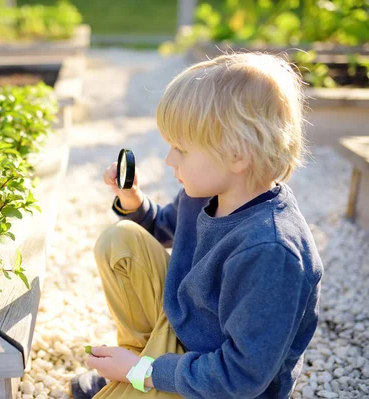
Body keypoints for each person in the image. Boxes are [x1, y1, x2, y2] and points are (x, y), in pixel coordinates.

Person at [71, 52, 323, 399]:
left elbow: (240, 377)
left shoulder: (270, 251)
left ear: (237, 154)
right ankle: (143, 366)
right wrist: (132, 199)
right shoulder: (205, 193)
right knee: (121, 240)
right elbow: (163, 227)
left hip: (221, 384)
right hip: (185, 336)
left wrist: (139, 372)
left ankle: (140, 373)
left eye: (181, 149)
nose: (168, 159)